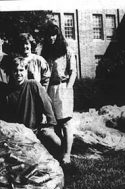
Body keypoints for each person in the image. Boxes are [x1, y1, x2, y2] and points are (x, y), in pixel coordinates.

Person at [7, 57, 61, 159]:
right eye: (15, 71)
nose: (18, 73)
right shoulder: (9, 91)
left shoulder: (33, 84)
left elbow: (47, 103)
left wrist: (50, 125)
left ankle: (62, 160)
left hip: (35, 130)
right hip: (18, 133)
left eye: (21, 70)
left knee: (54, 141)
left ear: (26, 70)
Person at [41, 23, 77, 164]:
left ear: (58, 35)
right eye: (49, 35)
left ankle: (67, 155)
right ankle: (61, 151)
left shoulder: (67, 50)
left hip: (63, 87)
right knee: (55, 123)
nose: (51, 37)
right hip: (50, 89)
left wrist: (68, 88)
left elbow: (73, 72)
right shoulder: (46, 53)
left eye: (54, 34)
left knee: (66, 122)